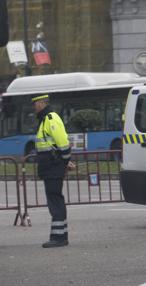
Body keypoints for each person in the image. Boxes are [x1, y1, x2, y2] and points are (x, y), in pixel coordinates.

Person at [32, 94, 75, 248]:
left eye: (36, 103)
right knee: (55, 200)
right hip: (51, 167)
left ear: (43, 103)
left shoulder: (50, 118)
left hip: (53, 167)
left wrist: (65, 162)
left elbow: (63, 143)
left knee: (55, 201)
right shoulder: (45, 119)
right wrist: (66, 162)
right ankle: (59, 235)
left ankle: (59, 238)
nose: (34, 106)